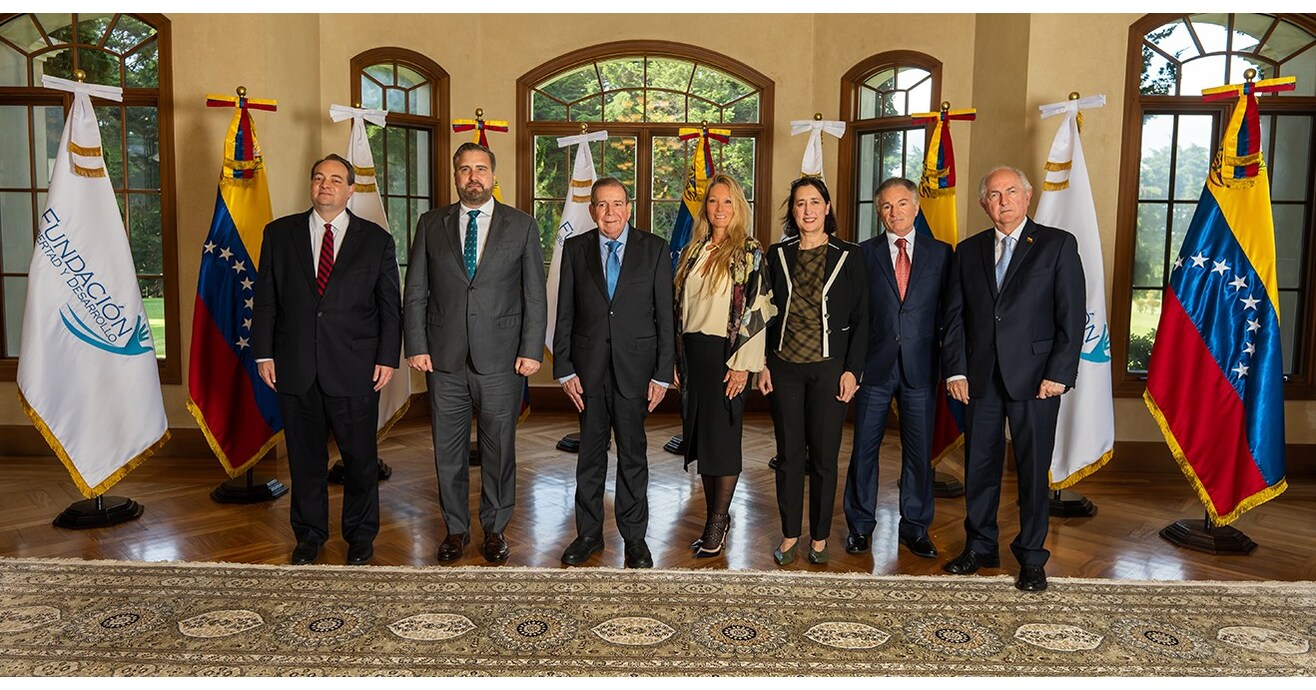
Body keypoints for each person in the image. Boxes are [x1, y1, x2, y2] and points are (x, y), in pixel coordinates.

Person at [251, 153, 402, 566]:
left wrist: (388, 357)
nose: (326, 185)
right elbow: (266, 299)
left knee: (359, 460)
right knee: (305, 460)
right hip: (294, 366)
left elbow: (391, 305)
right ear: (311, 185)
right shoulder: (279, 234)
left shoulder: (376, 240)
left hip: (355, 368)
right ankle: (309, 535)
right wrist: (263, 352)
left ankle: (360, 536)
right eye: (319, 178)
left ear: (351, 189)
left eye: (336, 179)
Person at [941, 165, 1085, 592]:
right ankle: (979, 547)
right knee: (979, 467)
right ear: (984, 203)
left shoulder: (1057, 245)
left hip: (1037, 381)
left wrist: (1058, 374)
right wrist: (956, 369)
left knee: (1032, 470)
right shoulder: (967, 251)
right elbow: (954, 320)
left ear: (1028, 196)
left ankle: (1032, 558)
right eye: (993, 194)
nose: (1002, 201)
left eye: (1010, 192)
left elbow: (1071, 316)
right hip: (980, 380)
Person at [403, 142, 547, 564]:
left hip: (502, 359)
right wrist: (416, 344)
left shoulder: (521, 225)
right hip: (442, 358)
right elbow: (415, 290)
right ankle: (456, 530)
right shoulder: (431, 223)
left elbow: (534, 295)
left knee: (499, 447)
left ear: (493, 175)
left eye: (480, 168)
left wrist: (531, 349)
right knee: (446, 449)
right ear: (455, 176)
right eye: (464, 170)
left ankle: (496, 528)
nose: (473, 177)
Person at [553, 177, 674, 569]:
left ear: (629, 207)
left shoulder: (654, 249)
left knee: (633, 456)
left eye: (617, 204)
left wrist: (661, 375)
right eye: (602, 205)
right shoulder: (575, 249)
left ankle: (635, 538)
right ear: (592, 210)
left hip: (635, 372)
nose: (610, 213)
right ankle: (588, 535)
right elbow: (565, 313)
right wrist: (564, 368)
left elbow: (665, 317)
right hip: (587, 373)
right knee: (589, 457)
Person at [758, 177, 868, 566]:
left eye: (814, 202)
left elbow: (862, 319)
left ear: (826, 207)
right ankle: (791, 535)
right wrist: (763, 364)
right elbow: (764, 313)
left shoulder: (849, 255)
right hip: (784, 367)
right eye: (800, 203)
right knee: (789, 456)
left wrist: (853, 370)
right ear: (793, 210)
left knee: (824, 457)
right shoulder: (777, 253)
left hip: (830, 370)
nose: (807, 210)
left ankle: (819, 537)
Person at [844, 177, 951, 559]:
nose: (895, 212)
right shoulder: (863, 253)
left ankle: (916, 526)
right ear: (880, 212)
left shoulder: (942, 254)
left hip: (921, 367)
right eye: (887, 206)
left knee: (919, 453)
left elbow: (948, 315)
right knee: (864, 450)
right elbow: (855, 316)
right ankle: (859, 526)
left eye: (902, 204)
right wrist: (852, 368)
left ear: (916, 207)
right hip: (874, 368)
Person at [672, 173, 774, 558]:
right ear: (705, 207)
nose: (719, 208)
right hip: (693, 355)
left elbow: (757, 310)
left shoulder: (750, 252)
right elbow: (679, 309)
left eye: (728, 202)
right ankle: (715, 515)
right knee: (703, 438)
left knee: (724, 440)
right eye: (714, 201)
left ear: (739, 208)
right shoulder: (693, 250)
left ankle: (718, 519)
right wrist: (676, 360)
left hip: (729, 356)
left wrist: (743, 365)